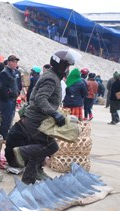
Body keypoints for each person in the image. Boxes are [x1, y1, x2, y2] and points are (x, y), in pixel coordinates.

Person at [12, 49, 79, 185]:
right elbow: (41, 98)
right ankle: (21, 152)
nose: (68, 70)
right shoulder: (51, 78)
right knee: (51, 147)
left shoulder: (52, 76)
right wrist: (54, 113)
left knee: (37, 153)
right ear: (61, 66)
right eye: (67, 66)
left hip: (38, 119)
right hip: (36, 120)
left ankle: (27, 183)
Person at [0, 54, 21, 139]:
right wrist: (7, 97)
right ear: (9, 62)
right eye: (13, 62)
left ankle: (5, 135)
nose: (15, 63)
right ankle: (2, 136)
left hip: (13, 99)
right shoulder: (4, 73)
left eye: (16, 62)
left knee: (10, 119)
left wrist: (17, 92)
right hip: (7, 100)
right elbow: (1, 88)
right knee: (6, 119)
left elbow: (18, 84)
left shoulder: (16, 72)